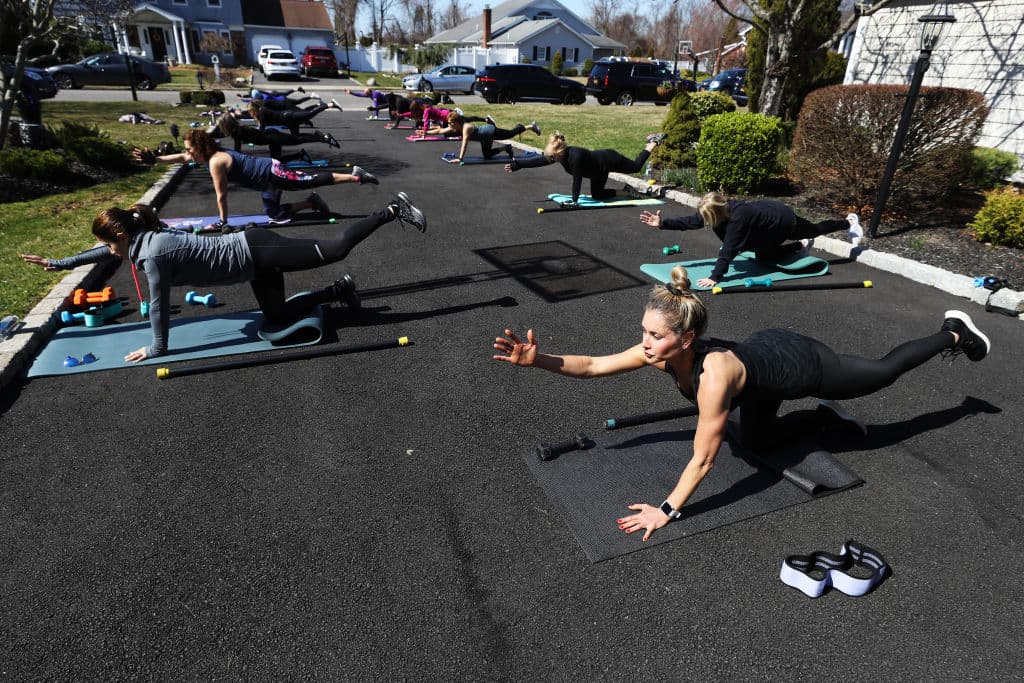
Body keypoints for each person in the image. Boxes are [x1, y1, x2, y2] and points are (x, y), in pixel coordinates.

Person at [492, 264, 991, 542]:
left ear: (686, 340)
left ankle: (951, 333)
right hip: (759, 376)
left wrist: (666, 510)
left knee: (880, 373)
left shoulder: (711, 378)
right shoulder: (660, 352)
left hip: (798, 363)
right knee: (755, 440)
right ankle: (822, 419)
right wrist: (539, 360)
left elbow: (704, 455)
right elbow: (595, 366)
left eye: (655, 336)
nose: (644, 344)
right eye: (644, 332)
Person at [22, 195, 426, 362]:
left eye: (109, 245)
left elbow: (159, 305)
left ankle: (391, 210)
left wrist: (157, 348)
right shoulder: (142, 243)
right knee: (275, 317)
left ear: (123, 237)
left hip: (256, 249)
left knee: (334, 248)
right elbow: (106, 251)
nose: (108, 252)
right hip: (252, 264)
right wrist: (61, 263)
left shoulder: (154, 256)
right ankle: (337, 290)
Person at [133, 128, 378, 227]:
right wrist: (154, 159)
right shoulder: (207, 156)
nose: (187, 153)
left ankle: (355, 176)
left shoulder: (216, 161)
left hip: (272, 173)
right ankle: (311, 203)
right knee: (276, 216)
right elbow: (178, 158)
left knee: (311, 178)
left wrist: (223, 222)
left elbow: (222, 196)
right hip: (266, 180)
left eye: (189, 149)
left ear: (199, 147)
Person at [640, 191, 865, 288]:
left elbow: (728, 249)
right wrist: (663, 223)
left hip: (783, 221)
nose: (705, 222)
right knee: (761, 256)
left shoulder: (738, 219)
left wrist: (715, 277)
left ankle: (848, 223)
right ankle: (800, 247)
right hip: (763, 227)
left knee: (813, 229)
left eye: (708, 219)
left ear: (717, 212)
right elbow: (691, 221)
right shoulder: (719, 209)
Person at [505, 131, 665, 205]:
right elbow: (539, 161)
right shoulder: (559, 156)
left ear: (559, 153)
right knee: (597, 195)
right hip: (597, 172)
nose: (551, 159)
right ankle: (627, 191)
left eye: (552, 157)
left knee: (636, 167)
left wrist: (574, 201)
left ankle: (653, 142)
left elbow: (577, 180)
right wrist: (519, 164)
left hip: (608, 159)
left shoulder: (575, 157)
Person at [212, 113, 340, 160]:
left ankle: (324, 138)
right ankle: (300, 155)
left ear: (226, 126)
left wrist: (228, 159)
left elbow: (237, 151)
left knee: (298, 139)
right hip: (270, 139)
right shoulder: (237, 130)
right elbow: (226, 139)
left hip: (273, 137)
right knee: (276, 161)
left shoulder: (237, 133)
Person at [446, 120, 542, 164]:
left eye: (451, 123)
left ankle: (530, 126)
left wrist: (460, 158)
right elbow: (441, 131)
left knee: (510, 134)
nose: (449, 125)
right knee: (487, 155)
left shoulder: (465, 128)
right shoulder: (456, 128)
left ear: (457, 122)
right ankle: (506, 147)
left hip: (490, 131)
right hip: (484, 139)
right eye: (449, 123)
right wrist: (430, 131)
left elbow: (464, 143)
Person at [249, 98, 342, 136]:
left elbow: (261, 131)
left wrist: (249, 136)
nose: (249, 114)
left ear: (254, 110)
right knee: (296, 138)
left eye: (250, 111)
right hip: (289, 122)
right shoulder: (261, 113)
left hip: (290, 116)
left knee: (309, 114)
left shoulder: (262, 113)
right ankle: (317, 136)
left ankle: (329, 104)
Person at [420, 109, 492, 137]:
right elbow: (440, 130)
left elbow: (426, 122)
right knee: (446, 133)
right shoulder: (427, 111)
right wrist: (427, 132)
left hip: (449, 115)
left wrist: (425, 131)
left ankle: (485, 119)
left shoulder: (426, 111)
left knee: (468, 119)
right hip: (446, 117)